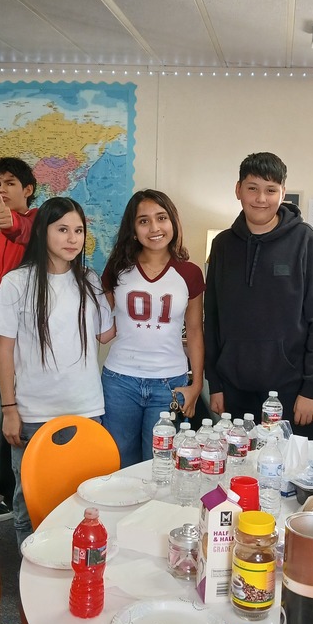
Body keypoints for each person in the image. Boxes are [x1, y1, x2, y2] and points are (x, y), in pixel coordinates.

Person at [0, 196, 114, 547]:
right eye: (62, 229)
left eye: (79, 231)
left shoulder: (89, 280)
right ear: (42, 232)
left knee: (83, 496)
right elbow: (4, 351)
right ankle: (32, 563)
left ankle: (76, 564)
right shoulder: (17, 282)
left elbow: (106, 333)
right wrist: (9, 410)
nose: (72, 238)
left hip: (86, 409)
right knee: (30, 499)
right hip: (33, 413)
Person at [204, 152, 313, 438]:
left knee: (290, 465)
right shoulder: (222, 245)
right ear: (238, 190)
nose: (261, 199)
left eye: (270, 190)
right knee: (237, 463)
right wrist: (214, 383)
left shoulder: (306, 241)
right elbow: (212, 318)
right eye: (252, 188)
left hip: (291, 392)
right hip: (233, 391)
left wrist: (311, 388)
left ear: (283, 193)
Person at [100, 190, 205, 468]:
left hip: (169, 384)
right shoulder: (117, 269)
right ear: (133, 230)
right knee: (118, 462)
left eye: (161, 218)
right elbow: (102, 324)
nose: (155, 228)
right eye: (143, 221)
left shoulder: (190, 273)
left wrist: (196, 385)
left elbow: (195, 331)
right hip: (120, 381)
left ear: (173, 222)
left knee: (159, 464)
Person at [0, 157, 37, 523]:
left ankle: (26, 492)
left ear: (28, 189)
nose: (2, 190)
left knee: (20, 418)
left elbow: (26, 231)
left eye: (10, 183)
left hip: (23, 345)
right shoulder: (3, 231)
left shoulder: (34, 222)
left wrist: (13, 222)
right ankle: (8, 493)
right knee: (2, 418)